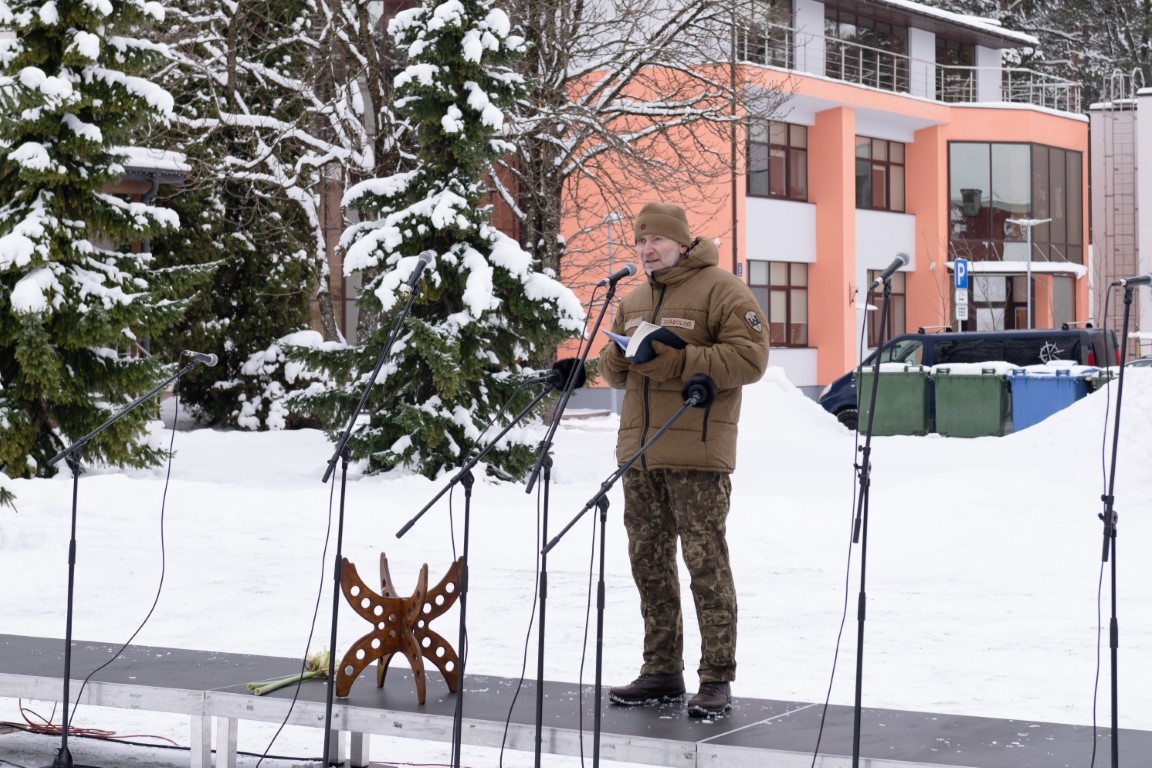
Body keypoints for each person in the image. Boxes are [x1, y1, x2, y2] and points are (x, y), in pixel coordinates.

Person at [598, 201, 769, 718]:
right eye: (641, 242)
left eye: (657, 241)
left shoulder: (722, 289)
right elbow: (620, 376)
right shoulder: (634, 298)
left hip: (696, 451)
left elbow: (750, 358)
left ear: (682, 242)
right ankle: (660, 670)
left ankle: (716, 677)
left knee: (705, 565)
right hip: (642, 454)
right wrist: (612, 357)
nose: (647, 250)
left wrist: (677, 360)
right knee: (648, 565)